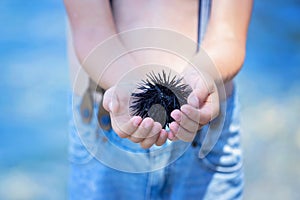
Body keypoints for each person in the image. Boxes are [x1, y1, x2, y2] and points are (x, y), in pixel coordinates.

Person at [64, 0, 252, 199]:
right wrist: (126, 82)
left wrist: (202, 74)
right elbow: (91, 30)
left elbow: (228, 35)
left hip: (203, 120)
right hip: (106, 120)